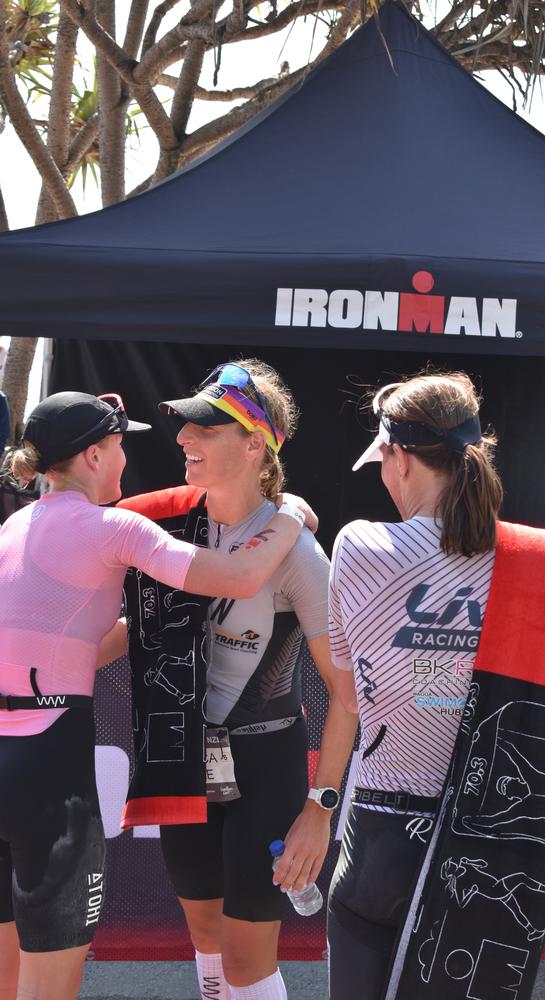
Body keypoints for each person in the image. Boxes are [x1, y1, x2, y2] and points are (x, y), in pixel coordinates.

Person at [327, 371, 545, 1000]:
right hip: (497, 849)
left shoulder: (358, 547)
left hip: (380, 834)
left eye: (384, 461)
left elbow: (348, 688)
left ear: (400, 459)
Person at [0, 390, 312, 1000]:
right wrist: (292, 516)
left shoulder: (15, 524)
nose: (126, 462)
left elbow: (83, 648)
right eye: (119, 447)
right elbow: (241, 577)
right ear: (93, 454)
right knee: (49, 979)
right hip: (47, 763)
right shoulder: (112, 525)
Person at [115, 360, 358, 1000]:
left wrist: (319, 808)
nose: (183, 440)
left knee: (248, 961)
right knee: (204, 940)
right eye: (186, 427)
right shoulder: (169, 527)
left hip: (264, 763)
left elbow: (346, 694)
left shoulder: (300, 551)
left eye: (205, 428)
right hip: (183, 755)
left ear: (256, 444)